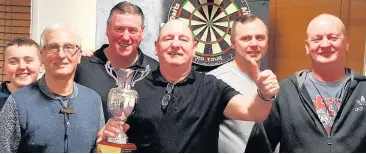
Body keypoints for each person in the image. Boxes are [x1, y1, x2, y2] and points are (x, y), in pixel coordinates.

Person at [97, 19, 279, 152]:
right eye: (168, 39)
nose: (175, 44)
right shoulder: (135, 91)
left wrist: (264, 94)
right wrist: (107, 133)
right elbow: (116, 135)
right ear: (156, 47)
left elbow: (254, 112)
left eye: (183, 39)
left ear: (194, 48)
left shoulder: (212, 87)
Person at [246, 14, 366, 153]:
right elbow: (257, 147)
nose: (325, 44)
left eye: (333, 37)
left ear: (346, 43)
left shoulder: (362, 88)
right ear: (307, 46)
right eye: (317, 39)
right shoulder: (286, 91)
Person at [0, 23, 104, 152]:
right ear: (41, 55)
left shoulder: (93, 100)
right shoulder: (18, 103)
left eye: (69, 47)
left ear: (78, 56)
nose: (61, 55)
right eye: (53, 47)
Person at [75, 1, 158, 121]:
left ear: (142, 32)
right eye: (119, 29)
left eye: (132, 30)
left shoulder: (156, 72)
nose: (125, 37)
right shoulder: (82, 67)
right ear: (107, 29)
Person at [207, 14, 269, 152]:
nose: (254, 44)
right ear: (233, 42)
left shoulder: (270, 83)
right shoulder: (214, 81)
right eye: (246, 38)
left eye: (260, 38)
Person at [0, 38, 43, 110]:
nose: (22, 67)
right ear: (4, 68)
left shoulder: (51, 98)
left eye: (28, 61)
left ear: (41, 66)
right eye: (13, 62)